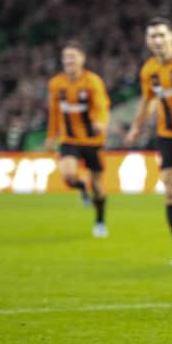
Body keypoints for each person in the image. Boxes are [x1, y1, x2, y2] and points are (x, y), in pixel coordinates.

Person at [125, 17, 172, 267]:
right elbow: (147, 101)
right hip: (168, 135)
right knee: (171, 189)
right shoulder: (149, 70)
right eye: (152, 36)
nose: (157, 40)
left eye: (161, 35)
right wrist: (136, 128)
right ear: (147, 41)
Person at [45, 40, 110, 238]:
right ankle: (80, 186)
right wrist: (50, 137)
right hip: (69, 139)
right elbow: (55, 113)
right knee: (67, 174)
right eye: (66, 57)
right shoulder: (56, 84)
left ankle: (100, 221)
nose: (69, 60)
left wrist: (100, 122)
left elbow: (101, 105)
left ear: (82, 59)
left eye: (73, 56)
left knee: (98, 186)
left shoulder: (92, 82)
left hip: (92, 140)